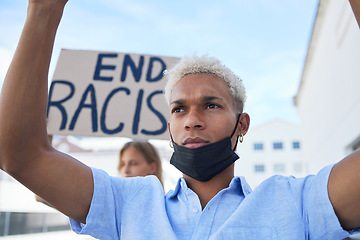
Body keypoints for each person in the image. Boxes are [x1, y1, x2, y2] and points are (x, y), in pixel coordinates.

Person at [1, 1, 360, 239]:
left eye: (211, 106)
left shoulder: (296, 201)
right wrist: (43, 11)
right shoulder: (126, 204)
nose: (192, 120)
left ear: (243, 124)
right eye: (178, 109)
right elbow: (20, 156)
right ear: (168, 127)